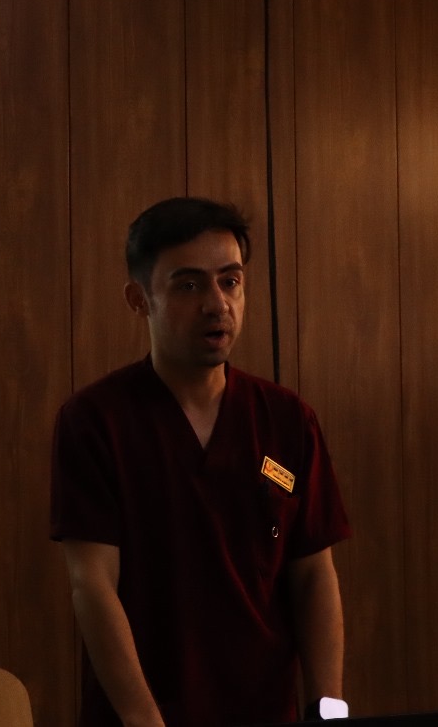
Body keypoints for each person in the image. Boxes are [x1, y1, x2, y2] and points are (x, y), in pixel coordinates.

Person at [50, 197, 351, 727]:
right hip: (146, 714)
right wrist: (144, 720)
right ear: (139, 300)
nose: (217, 304)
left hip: (265, 710)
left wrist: (329, 710)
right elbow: (93, 586)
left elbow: (313, 576)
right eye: (188, 286)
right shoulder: (96, 421)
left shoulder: (286, 419)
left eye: (230, 282)